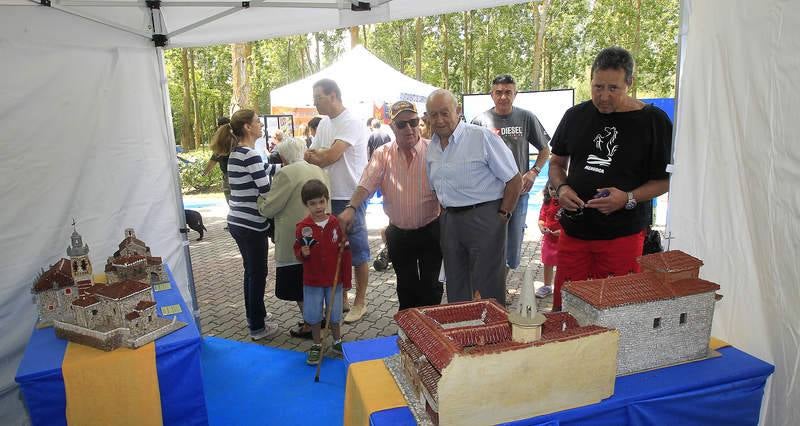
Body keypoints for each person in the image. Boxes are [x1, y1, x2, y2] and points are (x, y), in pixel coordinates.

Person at [548, 46, 672, 311]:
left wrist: (627, 198)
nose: (603, 96)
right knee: (568, 307)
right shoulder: (575, 116)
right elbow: (556, 163)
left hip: (622, 237)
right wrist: (562, 187)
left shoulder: (653, 122)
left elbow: (665, 181)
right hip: (575, 233)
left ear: (629, 83)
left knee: (617, 309)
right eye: (597, 87)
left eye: (613, 88)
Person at [340, 101, 443, 311]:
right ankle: (409, 333)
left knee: (431, 287)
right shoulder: (382, 154)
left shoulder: (435, 150)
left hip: (431, 230)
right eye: (402, 124)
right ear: (392, 127)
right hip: (399, 233)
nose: (409, 128)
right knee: (405, 287)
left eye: (413, 122)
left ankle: (430, 334)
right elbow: (365, 184)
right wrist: (351, 208)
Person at [425, 89, 522, 305]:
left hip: (485, 218)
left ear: (457, 111)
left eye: (444, 113)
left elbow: (515, 180)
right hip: (450, 220)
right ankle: (461, 331)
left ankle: (493, 335)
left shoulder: (482, 137)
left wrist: (502, 216)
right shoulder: (431, 148)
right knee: (456, 284)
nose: (439, 120)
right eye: (433, 115)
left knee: (488, 287)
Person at [304, 79, 371, 323]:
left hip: (351, 195)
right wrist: (322, 155)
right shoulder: (323, 123)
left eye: (318, 97)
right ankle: (341, 297)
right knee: (335, 249)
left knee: (358, 250)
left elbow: (328, 156)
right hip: (330, 196)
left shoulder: (351, 121)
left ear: (333, 95)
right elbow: (311, 154)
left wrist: (323, 155)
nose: (315, 102)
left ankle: (360, 302)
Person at [471, 74, 551, 276]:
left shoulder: (526, 117)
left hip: (518, 195)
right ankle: (491, 286)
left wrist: (534, 172)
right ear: (492, 94)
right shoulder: (479, 122)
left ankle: (500, 284)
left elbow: (545, 150)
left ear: (515, 94)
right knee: (487, 242)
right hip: (488, 196)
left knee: (512, 246)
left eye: (508, 92)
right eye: (499, 92)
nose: (503, 97)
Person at [214, 109, 281, 340]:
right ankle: (257, 327)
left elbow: (263, 170)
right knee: (257, 274)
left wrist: (287, 166)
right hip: (252, 225)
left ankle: (256, 315)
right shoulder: (249, 154)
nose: (261, 124)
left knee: (250, 273)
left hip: (238, 222)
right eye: (257, 122)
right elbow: (265, 189)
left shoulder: (237, 153)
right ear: (247, 127)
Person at [257, 138, 329, 339]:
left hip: (295, 238)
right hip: (319, 234)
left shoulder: (285, 173)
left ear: (283, 156)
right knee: (314, 281)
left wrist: (259, 201)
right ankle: (319, 319)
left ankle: (311, 324)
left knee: (299, 285)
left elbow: (270, 207)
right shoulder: (318, 170)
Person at [294, 179, 352, 365]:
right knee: (313, 314)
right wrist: (302, 253)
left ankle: (337, 340)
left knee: (334, 313)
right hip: (313, 280)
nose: (318, 206)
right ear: (306, 205)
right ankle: (317, 344)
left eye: (321, 201)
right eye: (312, 203)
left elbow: (345, 251)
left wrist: (347, 281)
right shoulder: (303, 228)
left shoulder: (336, 223)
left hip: (334, 279)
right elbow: (298, 251)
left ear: (326, 200)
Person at [535, 181, 560, 298]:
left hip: (563, 239)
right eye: (551, 189)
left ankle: (561, 285)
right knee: (548, 262)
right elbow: (541, 218)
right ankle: (547, 286)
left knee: (562, 263)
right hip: (549, 238)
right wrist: (542, 227)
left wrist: (562, 232)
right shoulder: (547, 203)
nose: (554, 192)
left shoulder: (566, 203)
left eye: (557, 189)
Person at [205, 117, 232, 207]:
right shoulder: (237, 139)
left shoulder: (221, 142)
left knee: (232, 204)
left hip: (229, 176)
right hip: (240, 175)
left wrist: (205, 172)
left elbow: (213, 160)